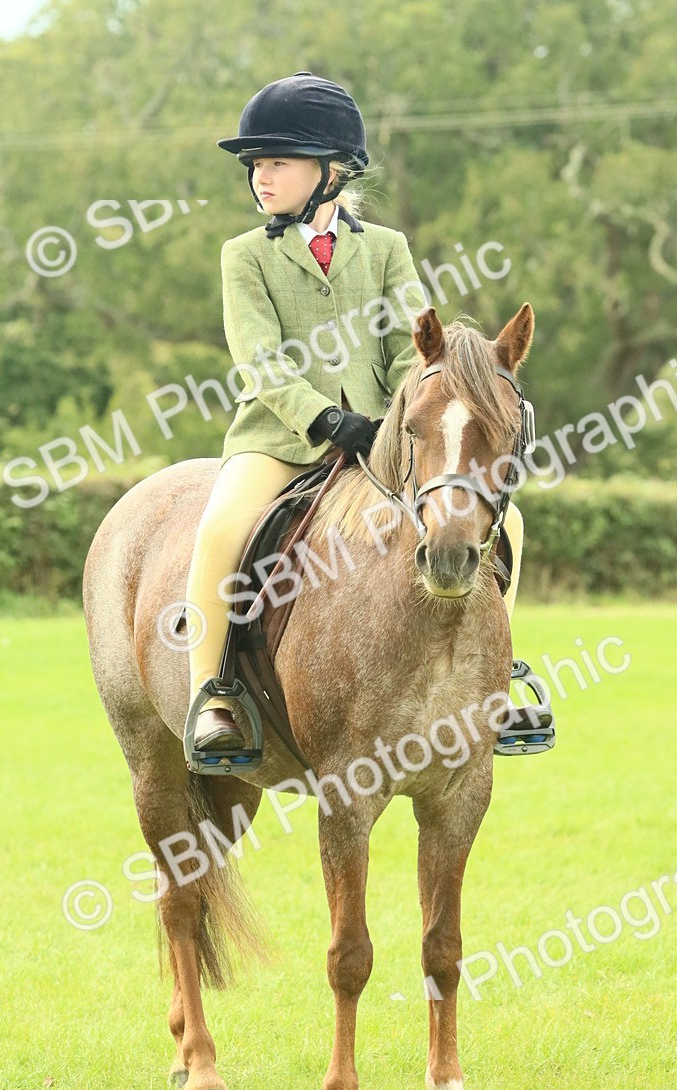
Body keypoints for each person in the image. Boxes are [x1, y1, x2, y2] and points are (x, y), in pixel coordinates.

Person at [185, 71, 551, 757]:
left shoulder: (385, 250)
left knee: (512, 524)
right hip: (279, 439)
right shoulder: (245, 258)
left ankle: (495, 680)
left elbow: (407, 349)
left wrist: (398, 415)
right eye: (256, 166)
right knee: (220, 531)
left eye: (277, 163)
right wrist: (324, 420)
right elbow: (260, 360)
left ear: (330, 172)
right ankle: (216, 693)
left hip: (383, 441)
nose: (261, 178)